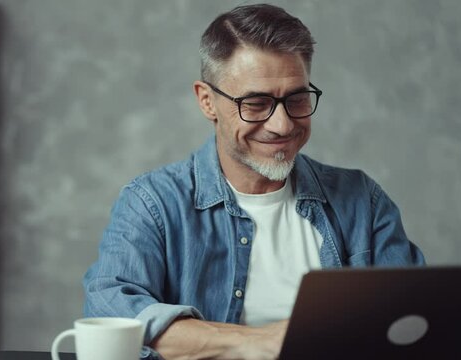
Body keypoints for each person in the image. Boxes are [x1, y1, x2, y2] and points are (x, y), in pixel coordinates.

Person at [83, 4, 425, 360]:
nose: (282, 125)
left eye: (296, 98)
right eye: (256, 103)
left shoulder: (361, 201)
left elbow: (414, 321)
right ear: (207, 101)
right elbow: (109, 314)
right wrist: (257, 342)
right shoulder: (152, 203)